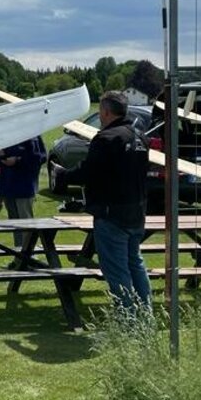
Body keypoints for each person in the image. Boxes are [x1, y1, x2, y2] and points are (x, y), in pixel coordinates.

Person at [56, 91, 151, 320]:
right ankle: (145, 316)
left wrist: (63, 175)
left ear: (106, 112)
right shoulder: (140, 137)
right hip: (136, 212)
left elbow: (89, 172)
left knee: (117, 271)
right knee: (135, 265)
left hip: (112, 214)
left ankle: (128, 321)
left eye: (100, 111)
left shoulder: (106, 138)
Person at [0, 136, 47, 267]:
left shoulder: (31, 135)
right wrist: (1, 157)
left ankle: (30, 258)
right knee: (15, 226)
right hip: (8, 186)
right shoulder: (4, 134)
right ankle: (19, 259)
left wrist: (18, 160)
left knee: (26, 225)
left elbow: (40, 157)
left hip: (25, 187)